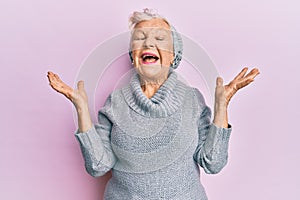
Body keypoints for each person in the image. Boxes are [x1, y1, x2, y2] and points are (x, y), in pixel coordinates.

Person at [47, 8, 259, 200]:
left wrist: (222, 106)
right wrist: (82, 109)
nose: (148, 43)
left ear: (173, 56)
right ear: (133, 56)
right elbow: (98, 166)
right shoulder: (115, 102)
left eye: (159, 38)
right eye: (140, 38)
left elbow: (213, 163)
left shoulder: (192, 100)